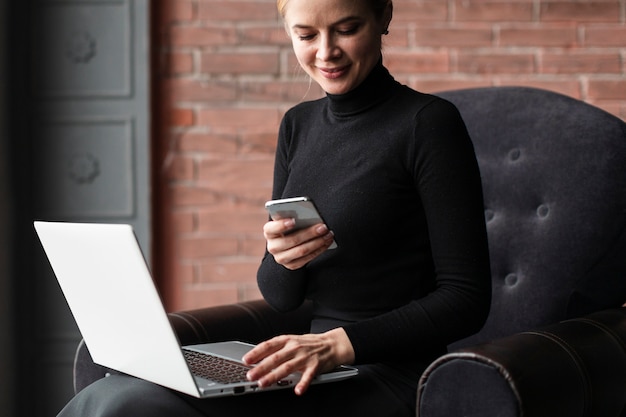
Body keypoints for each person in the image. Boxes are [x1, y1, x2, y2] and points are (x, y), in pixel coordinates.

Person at [57, 0, 491, 415]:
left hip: (387, 375)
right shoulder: (297, 126)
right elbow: (281, 298)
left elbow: (466, 298)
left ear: (384, 16)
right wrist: (284, 260)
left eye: (347, 29)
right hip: (310, 368)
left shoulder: (428, 124)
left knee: (131, 405)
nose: (326, 52)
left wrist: (339, 344)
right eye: (306, 35)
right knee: (116, 390)